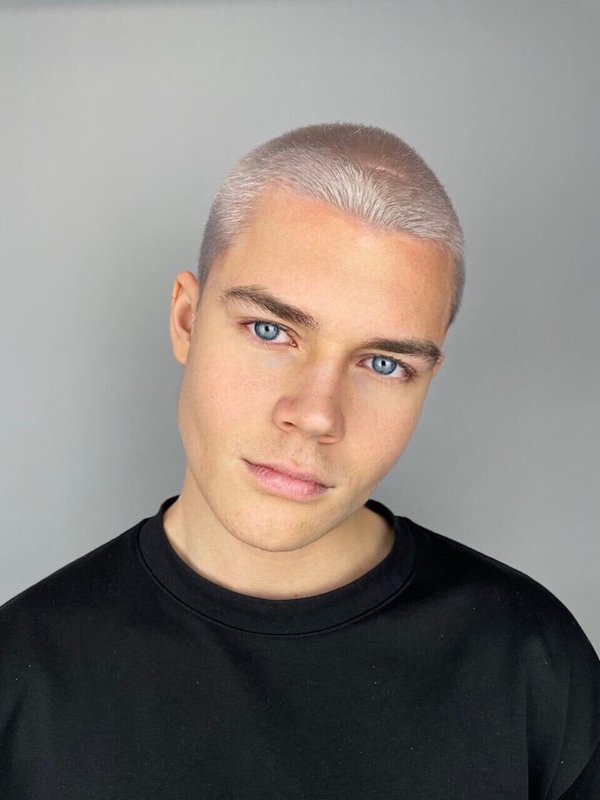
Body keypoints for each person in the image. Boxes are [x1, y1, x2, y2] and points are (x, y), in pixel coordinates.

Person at [1, 122, 598, 799]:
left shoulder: (531, 661)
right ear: (186, 320)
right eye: (270, 330)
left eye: (383, 363)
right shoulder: (20, 673)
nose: (316, 415)